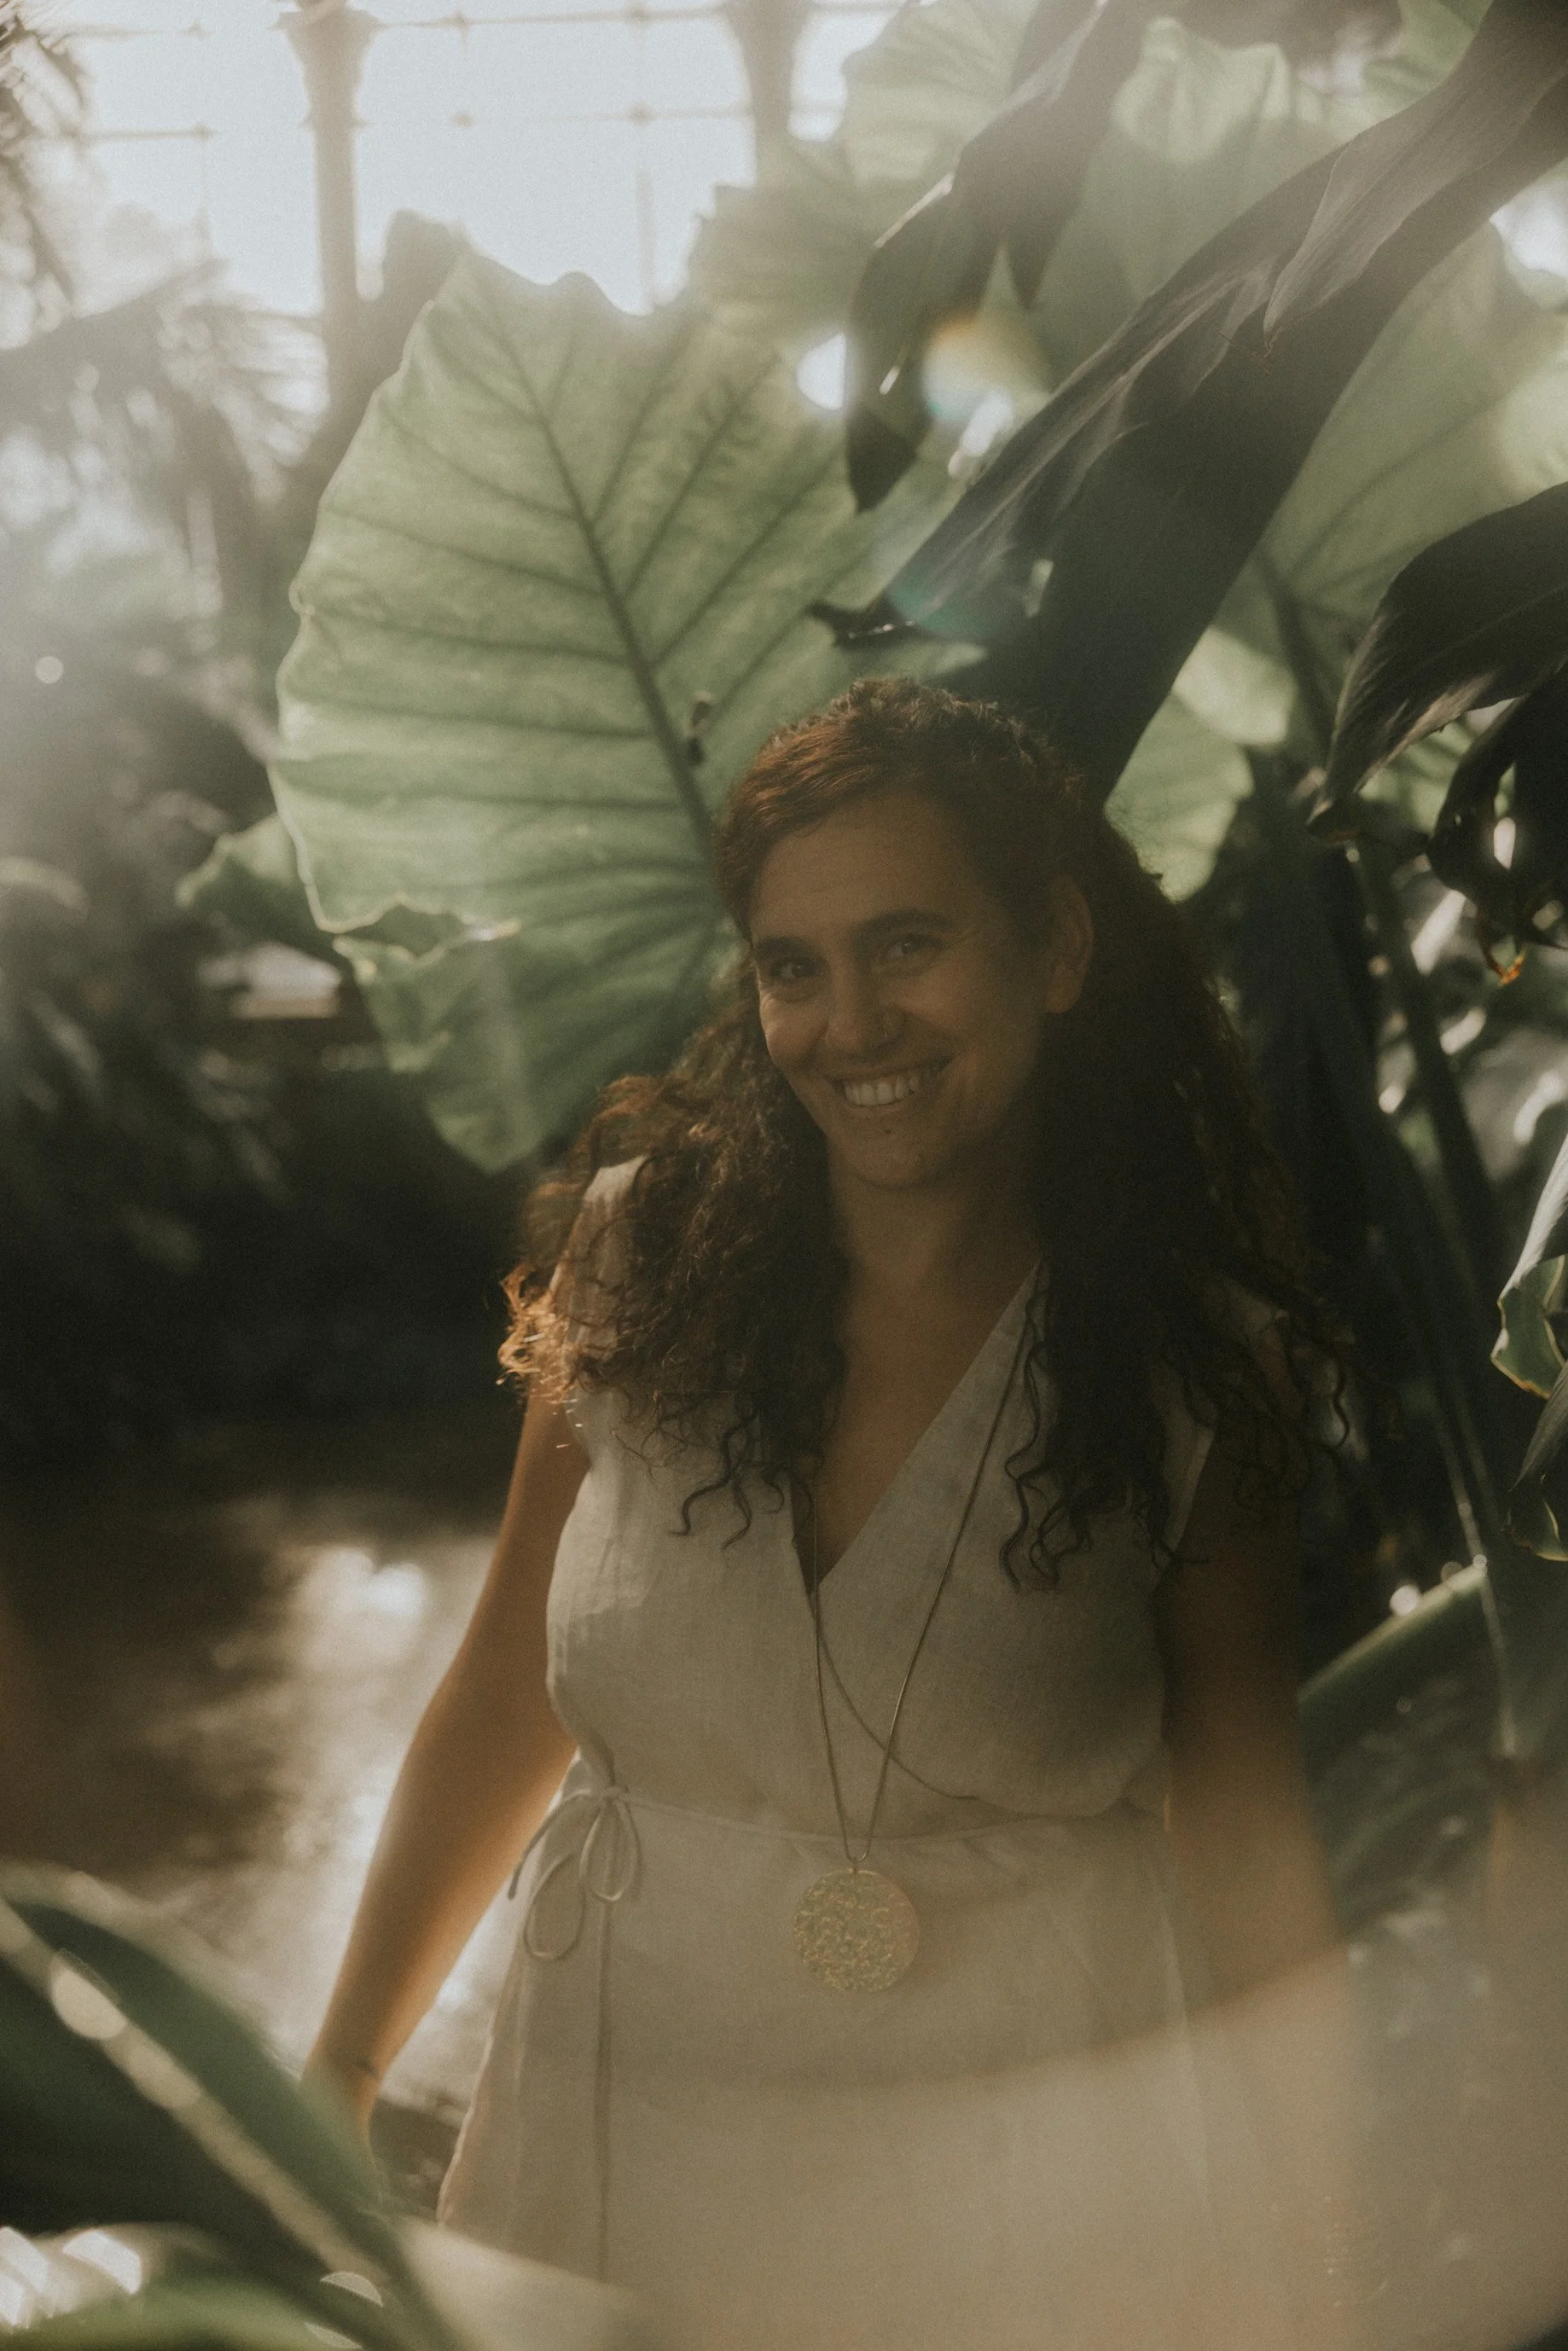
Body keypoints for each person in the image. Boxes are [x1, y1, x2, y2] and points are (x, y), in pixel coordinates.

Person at [307, 679, 1350, 2351]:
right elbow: (505, 1695)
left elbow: (1242, 1832)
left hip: (1032, 2185)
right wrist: (334, 2084)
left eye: (907, 943)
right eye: (794, 966)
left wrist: (1322, 2262)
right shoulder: (641, 1265)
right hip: (616, 2140)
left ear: (1056, 951)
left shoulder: (1202, 1367)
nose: (847, 1021)